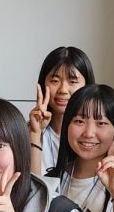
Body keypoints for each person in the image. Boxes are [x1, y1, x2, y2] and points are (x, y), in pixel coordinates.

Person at [27, 46, 95, 175]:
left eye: (73, 81)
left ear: (87, 86)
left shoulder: (93, 137)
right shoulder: (26, 134)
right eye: (54, 81)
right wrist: (34, 135)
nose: (63, 90)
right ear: (43, 83)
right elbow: (29, 188)